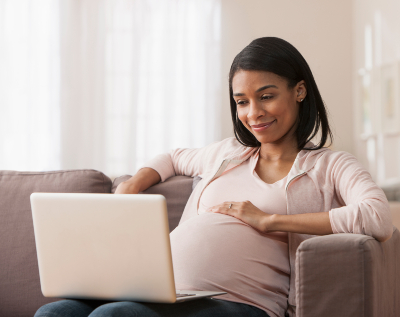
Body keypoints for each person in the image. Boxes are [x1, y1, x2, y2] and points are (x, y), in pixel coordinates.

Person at [35, 37, 393, 317]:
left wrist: (270, 220)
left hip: (242, 304)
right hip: (169, 293)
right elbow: (173, 158)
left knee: (116, 315)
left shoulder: (331, 165)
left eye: (266, 96)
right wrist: (133, 184)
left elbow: (377, 216)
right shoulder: (226, 153)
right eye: (241, 102)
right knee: (55, 311)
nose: (253, 113)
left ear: (299, 91)